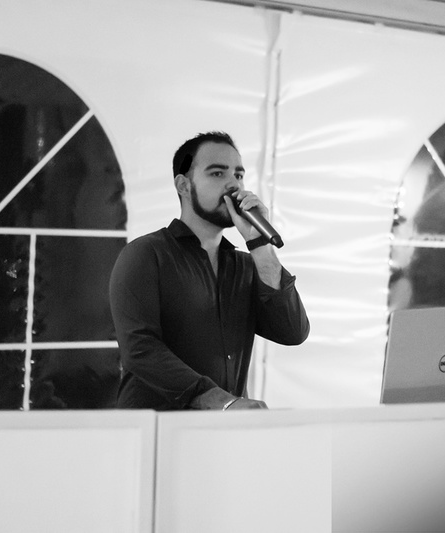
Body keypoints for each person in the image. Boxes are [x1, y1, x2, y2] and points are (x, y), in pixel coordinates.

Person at [109, 131, 310, 410]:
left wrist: (260, 246)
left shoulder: (245, 266)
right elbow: (140, 349)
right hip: (156, 427)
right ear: (183, 185)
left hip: (221, 430)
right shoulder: (146, 254)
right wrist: (222, 402)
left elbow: (292, 332)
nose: (233, 185)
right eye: (217, 173)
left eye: (239, 175)